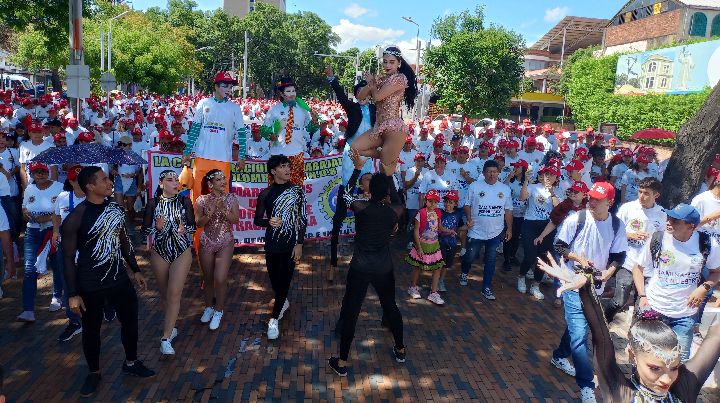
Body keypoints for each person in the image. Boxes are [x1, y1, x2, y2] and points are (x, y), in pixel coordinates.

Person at [538, 252, 720, 403]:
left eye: (674, 368)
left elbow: (715, 336)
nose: (667, 379)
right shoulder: (621, 392)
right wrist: (586, 285)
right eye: (655, 368)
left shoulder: (685, 385)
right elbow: (600, 335)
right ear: (632, 355)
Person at [61, 166, 154, 397]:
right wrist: (72, 293)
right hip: (90, 284)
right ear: (90, 187)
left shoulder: (116, 209)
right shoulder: (76, 217)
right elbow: (67, 258)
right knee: (91, 330)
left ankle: (131, 362)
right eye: (104, 179)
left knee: (131, 322)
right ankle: (94, 372)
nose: (110, 182)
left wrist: (136, 270)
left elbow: (124, 242)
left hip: (119, 279)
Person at [550, 181, 627, 402]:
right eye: (590, 197)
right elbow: (560, 246)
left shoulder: (617, 226)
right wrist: (577, 258)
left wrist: (608, 273)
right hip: (572, 281)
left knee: (578, 328)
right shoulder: (577, 219)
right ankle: (586, 385)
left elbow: (618, 256)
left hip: (595, 287)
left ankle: (559, 355)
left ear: (610, 202)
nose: (591, 202)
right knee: (580, 335)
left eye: (598, 200)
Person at [328, 173, 405, 376]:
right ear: (387, 191)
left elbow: (344, 193)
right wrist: (389, 175)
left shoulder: (361, 207)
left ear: (370, 190)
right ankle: (400, 349)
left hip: (360, 267)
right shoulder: (393, 211)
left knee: (352, 313)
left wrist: (356, 170)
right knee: (390, 306)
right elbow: (398, 200)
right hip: (383, 267)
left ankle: (342, 362)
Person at [633, 204, 719, 362]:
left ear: (690, 226)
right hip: (655, 309)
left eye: (675, 220)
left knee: (678, 362)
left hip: (684, 315)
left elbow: (716, 272)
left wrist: (703, 288)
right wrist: (642, 295)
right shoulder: (657, 238)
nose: (668, 222)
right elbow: (638, 268)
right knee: (649, 358)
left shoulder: (706, 244)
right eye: (668, 217)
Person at [254, 155, 307, 340]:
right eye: (283, 166)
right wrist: (268, 221)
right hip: (272, 245)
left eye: (288, 166)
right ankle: (282, 302)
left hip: (290, 244)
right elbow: (257, 219)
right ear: (273, 171)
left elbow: (302, 220)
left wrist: (299, 244)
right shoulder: (266, 194)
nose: (287, 169)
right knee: (276, 282)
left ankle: (274, 319)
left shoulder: (297, 191)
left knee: (284, 282)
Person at [142, 170, 196, 354]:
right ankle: (171, 328)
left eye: (176, 180)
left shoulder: (184, 201)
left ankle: (165, 338)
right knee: (165, 295)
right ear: (161, 183)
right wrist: (156, 227)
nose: (175, 183)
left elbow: (193, 228)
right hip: (159, 252)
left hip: (181, 251)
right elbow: (145, 232)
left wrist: (185, 228)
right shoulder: (153, 203)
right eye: (170, 180)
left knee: (174, 293)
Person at [182, 71, 247, 207]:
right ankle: (198, 229)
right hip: (202, 158)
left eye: (230, 87)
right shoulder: (204, 103)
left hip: (223, 160)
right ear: (216, 86)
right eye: (225, 86)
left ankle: (219, 229)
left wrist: (242, 156)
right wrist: (187, 152)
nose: (228, 90)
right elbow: (195, 129)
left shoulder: (234, 108)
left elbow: (241, 133)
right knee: (199, 198)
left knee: (221, 200)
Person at [350, 46, 417, 175]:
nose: (387, 65)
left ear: (399, 63)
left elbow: (377, 97)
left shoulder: (400, 79)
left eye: (392, 62)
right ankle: (386, 156)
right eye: (385, 62)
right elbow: (360, 97)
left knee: (384, 173)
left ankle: (388, 158)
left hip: (394, 129)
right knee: (354, 148)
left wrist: (373, 85)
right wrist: (370, 84)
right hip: (378, 128)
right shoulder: (381, 79)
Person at [610, 177, 666, 322]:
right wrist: (629, 234)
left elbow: (663, 239)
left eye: (646, 193)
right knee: (619, 301)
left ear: (656, 195)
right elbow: (612, 231)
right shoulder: (627, 208)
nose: (641, 196)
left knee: (641, 306)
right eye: (640, 191)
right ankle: (602, 322)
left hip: (647, 267)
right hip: (627, 262)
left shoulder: (662, 213)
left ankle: (633, 336)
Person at [17, 161, 64, 322]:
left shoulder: (59, 187)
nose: (40, 175)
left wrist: (48, 218)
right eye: (36, 172)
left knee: (57, 265)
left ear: (48, 172)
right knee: (30, 269)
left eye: (43, 171)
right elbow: (24, 207)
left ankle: (57, 297)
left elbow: (64, 210)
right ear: (32, 174)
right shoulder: (29, 188)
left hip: (53, 232)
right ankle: (28, 309)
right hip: (33, 232)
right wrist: (25, 213)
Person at [460, 160, 513, 299]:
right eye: (489, 171)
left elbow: (508, 211)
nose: (492, 174)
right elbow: (466, 205)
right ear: (483, 173)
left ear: (499, 173)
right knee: (470, 256)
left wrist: (509, 229)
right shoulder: (474, 186)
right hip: (476, 230)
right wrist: (469, 219)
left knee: (491, 259)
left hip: (495, 232)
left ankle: (486, 287)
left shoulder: (505, 189)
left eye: (495, 171)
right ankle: (464, 272)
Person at [194, 169, 240, 330]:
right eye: (219, 179)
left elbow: (235, 220)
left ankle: (219, 310)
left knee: (220, 278)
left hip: (225, 241)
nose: (223, 182)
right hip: (207, 241)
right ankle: (208, 307)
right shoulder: (202, 200)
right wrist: (209, 214)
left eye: (224, 179)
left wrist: (223, 210)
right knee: (207, 278)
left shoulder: (231, 198)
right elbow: (198, 223)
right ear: (210, 184)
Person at [261, 77, 319, 185]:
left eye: (293, 91)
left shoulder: (303, 110)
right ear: (282, 94)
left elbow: (309, 129)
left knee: (296, 190)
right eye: (288, 91)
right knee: (275, 191)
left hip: (297, 154)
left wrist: (315, 121)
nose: (292, 94)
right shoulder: (274, 109)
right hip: (277, 155)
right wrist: (270, 135)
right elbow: (264, 128)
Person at [518, 165, 561, 300]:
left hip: (547, 226)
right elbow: (522, 197)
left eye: (551, 175)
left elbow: (558, 208)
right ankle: (521, 276)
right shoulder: (533, 187)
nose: (548, 177)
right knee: (530, 255)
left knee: (543, 258)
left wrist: (552, 193)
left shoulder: (558, 191)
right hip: (530, 224)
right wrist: (526, 182)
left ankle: (536, 285)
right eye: (546, 174)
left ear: (556, 178)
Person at [53, 165, 86, 341]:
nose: (79, 183)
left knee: (90, 281)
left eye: (82, 180)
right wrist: (55, 232)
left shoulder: (95, 199)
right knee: (68, 282)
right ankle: (74, 322)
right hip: (67, 247)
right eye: (75, 180)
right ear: (70, 181)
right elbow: (56, 215)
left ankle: (104, 306)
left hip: (88, 247)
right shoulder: (63, 197)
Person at [329, 152, 372, 281]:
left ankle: (363, 263)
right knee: (336, 225)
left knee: (364, 228)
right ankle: (332, 264)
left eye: (371, 179)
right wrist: (357, 169)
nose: (371, 181)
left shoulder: (372, 191)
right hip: (349, 183)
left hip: (360, 175)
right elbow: (348, 189)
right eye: (369, 180)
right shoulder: (351, 187)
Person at [405, 189, 450, 304]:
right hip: (422, 245)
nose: (433, 204)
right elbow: (416, 231)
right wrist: (419, 247)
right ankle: (413, 287)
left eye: (435, 202)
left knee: (437, 268)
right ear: (426, 201)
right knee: (418, 267)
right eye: (430, 201)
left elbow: (439, 228)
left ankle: (433, 293)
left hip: (434, 245)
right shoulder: (421, 213)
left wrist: (449, 231)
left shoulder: (438, 213)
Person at [437, 190, 466, 293]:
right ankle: (435, 281)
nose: (448, 204)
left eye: (451, 202)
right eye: (446, 201)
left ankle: (441, 280)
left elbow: (460, 227)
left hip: (452, 243)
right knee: (439, 263)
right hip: (440, 241)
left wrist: (469, 226)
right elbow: (438, 227)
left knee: (446, 264)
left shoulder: (458, 214)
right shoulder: (440, 212)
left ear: (455, 204)